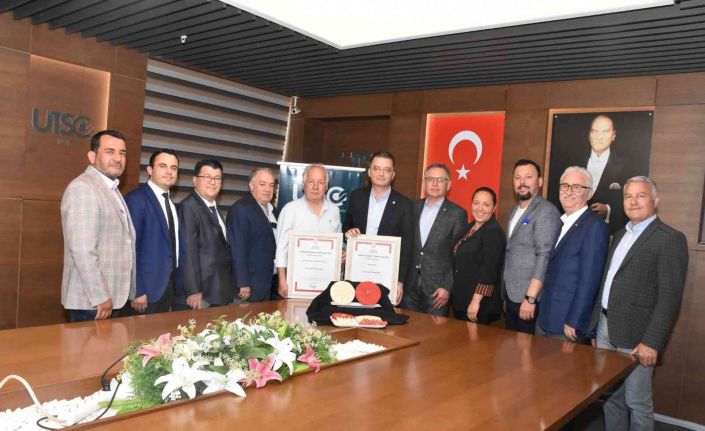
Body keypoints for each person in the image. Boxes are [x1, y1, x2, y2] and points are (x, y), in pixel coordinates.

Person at [588, 176, 688, 430]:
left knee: (637, 403)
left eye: (640, 196)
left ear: (656, 200)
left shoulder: (670, 239)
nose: (633, 201)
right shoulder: (620, 234)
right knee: (610, 397)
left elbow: (669, 298)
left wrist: (652, 342)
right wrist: (595, 327)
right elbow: (608, 282)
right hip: (606, 328)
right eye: (628, 196)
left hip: (638, 337)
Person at [60, 130, 135, 322]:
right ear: (92, 156)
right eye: (110, 151)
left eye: (122, 153)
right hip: (93, 303)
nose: (118, 158)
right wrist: (100, 296)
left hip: (111, 299)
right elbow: (82, 250)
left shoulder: (111, 188)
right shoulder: (83, 188)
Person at [536, 167, 610, 341]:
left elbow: (590, 279)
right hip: (546, 316)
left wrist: (575, 320)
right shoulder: (562, 222)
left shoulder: (594, 226)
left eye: (576, 187)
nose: (568, 191)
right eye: (565, 186)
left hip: (567, 324)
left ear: (589, 193)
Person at [343, 151, 413, 305]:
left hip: (387, 276)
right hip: (357, 271)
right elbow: (346, 226)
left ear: (393, 174)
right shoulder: (356, 197)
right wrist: (348, 232)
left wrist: (400, 282)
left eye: (386, 170)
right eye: (377, 168)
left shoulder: (405, 205)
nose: (381, 174)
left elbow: (407, 247)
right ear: (369, 172)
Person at [503, 159, 561, 334]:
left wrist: (530, 298)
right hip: (512, 294)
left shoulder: (545, 211)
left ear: (540, 182)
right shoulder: (515, 210)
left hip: (529, 299)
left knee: (526, 348)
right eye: (517, 177)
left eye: (528, 177)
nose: (522, 182)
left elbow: (544, 256)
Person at [122, 149, 182, 315]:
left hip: (167, 286)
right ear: (150, 170)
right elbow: (130, 249)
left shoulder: (171, 204)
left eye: (174, 168)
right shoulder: (136, 199)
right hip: (145, 291)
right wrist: (137, 289)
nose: (169, 171)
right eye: (163, 166)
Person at [404, 163, 467, 316]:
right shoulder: (411, 207)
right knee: (407, 327)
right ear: (424, 182)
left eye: (440, 180)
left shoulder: (457, 213)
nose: (435, 183)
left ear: (449, 185)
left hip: (438, 290)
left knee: (434, 330)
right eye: (430, 179)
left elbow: (458, 254)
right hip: (409, 286)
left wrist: (447, 286)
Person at [275, 163, 341, 297]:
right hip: (297, 283)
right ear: (303, 184)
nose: (315, 187)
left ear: (326, 187)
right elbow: (281, 248)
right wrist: (282, 280)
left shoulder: (334, 211)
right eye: (311, 181)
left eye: (320, 182)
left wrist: (342, 253)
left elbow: (338, 244)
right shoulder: (290, 209)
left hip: (327, 283)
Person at [174, 159, 232, 310]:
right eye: (207, 177)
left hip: (217, 289)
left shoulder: (214, 208)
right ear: (194, 180)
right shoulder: (188, 207)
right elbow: (188, 251)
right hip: (200, 294)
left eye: (217, 178)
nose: (213, 182)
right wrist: (193, 290)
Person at [451, 187, 506, 324]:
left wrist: (476, 301)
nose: (480, 208)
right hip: (462, 299)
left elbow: (489, 270)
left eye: (486, 204)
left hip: (480, 305)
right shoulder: (469, 227)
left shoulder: (493, 231)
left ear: (494, 208)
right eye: (476, 203)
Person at [227, 167, 278, 303]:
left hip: (267, 284)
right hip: (248, 287)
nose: (267, 189)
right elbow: (238, 248)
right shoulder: (241, 209)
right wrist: (242, 282)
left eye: (271, 185)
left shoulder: (274, 211)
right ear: (251, 185)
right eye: (262, 184)